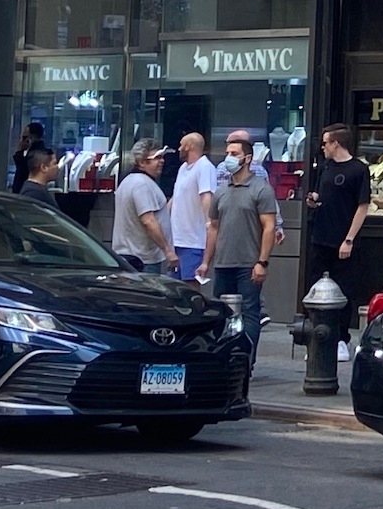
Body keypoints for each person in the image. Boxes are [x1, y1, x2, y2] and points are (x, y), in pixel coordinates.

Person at [200, 136, 280, 351]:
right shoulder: (221, 192)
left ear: (248, 158)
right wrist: (206, 261)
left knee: (249, 313)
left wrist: (262, 262)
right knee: (221, 314)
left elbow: (269, 227)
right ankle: (223, 357)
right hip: (223, 263)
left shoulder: (261, 189)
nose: (229, 158)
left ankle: (247, 360)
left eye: (234, 154)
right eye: (227, 153)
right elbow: (214, 227)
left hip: (248, 264)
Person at [305, 124, 370, 299]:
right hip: (321, 237)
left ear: (336, 144)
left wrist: (349, 239)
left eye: (325, 143)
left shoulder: (358, 169)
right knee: (315, 286)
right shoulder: (326, 167)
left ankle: (341, 327)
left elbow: (362, 206)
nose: (322, 147)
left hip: (342, 238)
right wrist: (314, 200)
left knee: (343, 290)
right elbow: (322, 193)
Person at [110, 139, 175, 274]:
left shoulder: (129, 182)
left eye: (162, 157)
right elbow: (148, 221)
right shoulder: (142, 185)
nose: (162, 161)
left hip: (131, 256)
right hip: (143, 260)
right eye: (157, 158)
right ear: (141, 162)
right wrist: (168, 251)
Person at [169, 133, 215, 283]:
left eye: (181, 145)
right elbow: (176, 197)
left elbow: (206, 196)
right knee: (174, 286)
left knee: (190, 285)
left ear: (188, 146)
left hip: (193, 241)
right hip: (177, 239)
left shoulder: (205, 167)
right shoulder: (183, 168)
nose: (179, 148)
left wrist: (208, 222)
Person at [9, 122, 44, 190]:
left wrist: (20, 151)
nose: (22, 140)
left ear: (32, 137)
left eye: (25, 137)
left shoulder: (35, 153)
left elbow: (22, 170)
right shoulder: (37, 151)